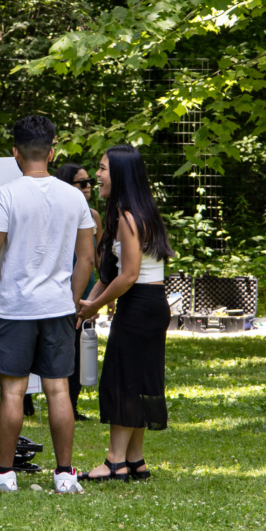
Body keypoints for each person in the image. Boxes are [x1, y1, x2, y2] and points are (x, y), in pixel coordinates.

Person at [0, 115, 95, 494]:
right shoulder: (75, 196)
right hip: (58, 309)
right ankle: (65, 474)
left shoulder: (6, 195)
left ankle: (4, 474)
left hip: (14, 309)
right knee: (58, 390)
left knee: (12, 392)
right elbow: (86, 259)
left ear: (15, 153)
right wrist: (71, 302)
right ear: (52, 152)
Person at [77, 145, 174, 482]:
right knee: (140, 380)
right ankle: (136, 460)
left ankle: (114, 461)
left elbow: (129, 274)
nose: (97, 175)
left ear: (119, 174)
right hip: (151, 305)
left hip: (139, 306)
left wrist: (96, 304)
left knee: (122, 381)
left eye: (103, 169)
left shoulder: (128, 217)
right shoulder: (142, 211)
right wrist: (87, 303)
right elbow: (110, 273)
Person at [55, 162, 102, 421]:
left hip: (87, 288)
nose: (88, 187)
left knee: (78, 348)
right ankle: (29, 399)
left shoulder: (94, 216)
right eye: (82, 183)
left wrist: (100, 294)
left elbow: (97, 256)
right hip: (60, 286)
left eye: (89, 182)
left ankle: (71, 406)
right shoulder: (57, 213)